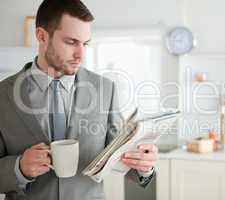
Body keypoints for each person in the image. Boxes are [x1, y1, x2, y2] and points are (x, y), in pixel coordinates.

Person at [0, 0, 157, 199]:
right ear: (41, 36)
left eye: (85, 43)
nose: (80, 54)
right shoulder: (3, 94)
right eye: (71, 42)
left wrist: (144, 167)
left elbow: (120, 156)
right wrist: (19, 167)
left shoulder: (105, 90)